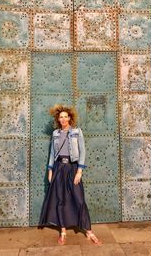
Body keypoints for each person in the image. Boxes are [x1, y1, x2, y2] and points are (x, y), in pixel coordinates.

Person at [39, 104, 102, 245]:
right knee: (60, 200)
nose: (63, 119)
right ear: (58, 119)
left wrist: (79, 171)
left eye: (65, 116)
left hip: (72, 168)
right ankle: (63, 231)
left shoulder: (77, 132)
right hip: (59, 168)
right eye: (60, 117)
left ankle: (89, 231)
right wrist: (50, 170)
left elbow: (82, 151)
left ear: (70, 117)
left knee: (79, 199)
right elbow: (52, 154)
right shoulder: (55, 133)